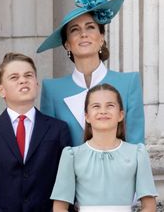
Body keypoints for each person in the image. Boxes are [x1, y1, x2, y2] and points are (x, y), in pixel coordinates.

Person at [37, 0, 144, 146]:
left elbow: (137, 146)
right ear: (67, 44)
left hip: (121, 170)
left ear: (101, 38)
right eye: (75, 30)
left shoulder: (129, 83)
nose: (83, 34)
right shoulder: (52, 90)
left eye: (90, 27)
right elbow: (49, 149)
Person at [0, 52, 72, 212]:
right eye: (14, 77)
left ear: (36, 84)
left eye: (28, 75)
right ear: (1, 90)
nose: (23, 80)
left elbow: (66, 183)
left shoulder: (58, 129)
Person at [51, 83, 157, 212]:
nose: (103, 111)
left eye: (110, 106)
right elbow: (60, 207)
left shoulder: (137, 153)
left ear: (120, 115)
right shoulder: (72, 155)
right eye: (96, 106)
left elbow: (149, 206)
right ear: (87, 116)